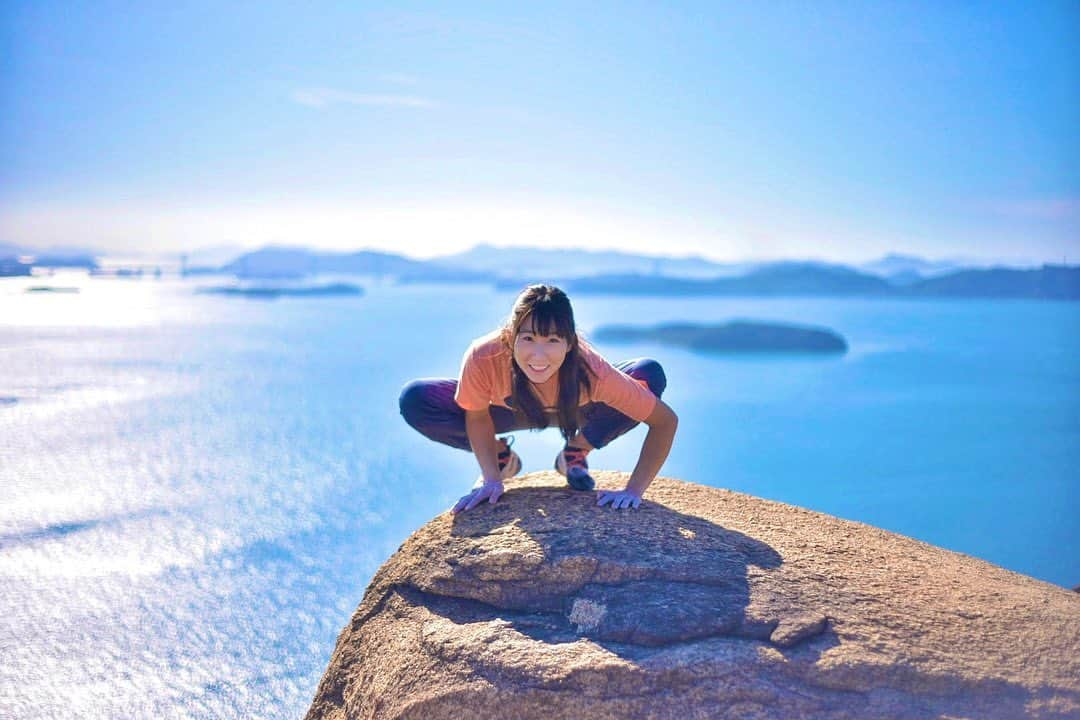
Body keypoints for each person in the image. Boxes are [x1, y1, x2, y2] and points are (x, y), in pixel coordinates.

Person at [399, 284, 678, 514]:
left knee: (647, 374)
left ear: (570, 344)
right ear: (510, 337)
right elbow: (477, 414)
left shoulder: (592, 370)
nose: (539, 355)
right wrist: (492, 479)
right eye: (528, 338)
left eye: (553, 340)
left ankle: (575, 453)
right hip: (506, 410)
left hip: (579, 410)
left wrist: (633, 491)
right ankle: (501, 458)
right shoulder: (483, 356)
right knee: (416, 398)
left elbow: (665, 422)